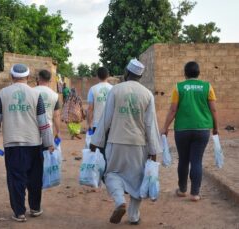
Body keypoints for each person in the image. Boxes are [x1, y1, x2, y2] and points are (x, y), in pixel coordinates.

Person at [90, 59, 162, 225]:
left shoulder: (116, 90)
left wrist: (95, 142)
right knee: (137, 179)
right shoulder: (147, 94)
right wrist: (153, 150)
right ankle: (133, 216)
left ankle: (119, 201)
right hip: (139, 145)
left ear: (126, 73)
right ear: (140, 76)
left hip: (115, 142)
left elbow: (105, 120)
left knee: (111, 173)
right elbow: (151, 125)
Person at [0, 64, 54, 222]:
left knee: (16, 178)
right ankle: (35, 208)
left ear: (11, 77)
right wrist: (49, 142)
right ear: (28, 78)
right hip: (34, 144)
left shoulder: (3, 94)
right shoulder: (36, 95)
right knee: (35, 178)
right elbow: (43, 123)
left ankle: (19, 212)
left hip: (13, 144)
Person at [161, 61, 218, 202]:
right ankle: (195, 194)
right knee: (197, 161)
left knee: (184, 160)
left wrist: (165, 127)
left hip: (182, 130)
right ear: (198, 73)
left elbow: (173, 110)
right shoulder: (207, 87)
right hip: (202, 128)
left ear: (185, 73)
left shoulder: (178, 88)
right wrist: (216, 127)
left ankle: (182, 190)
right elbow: (214, 109)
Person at [87, 66, 112, 154]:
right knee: (109, 151)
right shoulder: (113, 89)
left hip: (97, 125)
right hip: (111, 125)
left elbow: (90, 109)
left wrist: (89, 124)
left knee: (98, 151)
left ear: (97, 76)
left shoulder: (93, 89)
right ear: (108, 76)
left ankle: (99, 167)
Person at [33, 69, 61, 140]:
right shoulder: (54, 95)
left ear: (38, 78)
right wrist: (58, 131)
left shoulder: (31, 92)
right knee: (46, 151)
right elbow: (56, 116)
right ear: (49, 80)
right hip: (48, 130)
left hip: (32, 130)